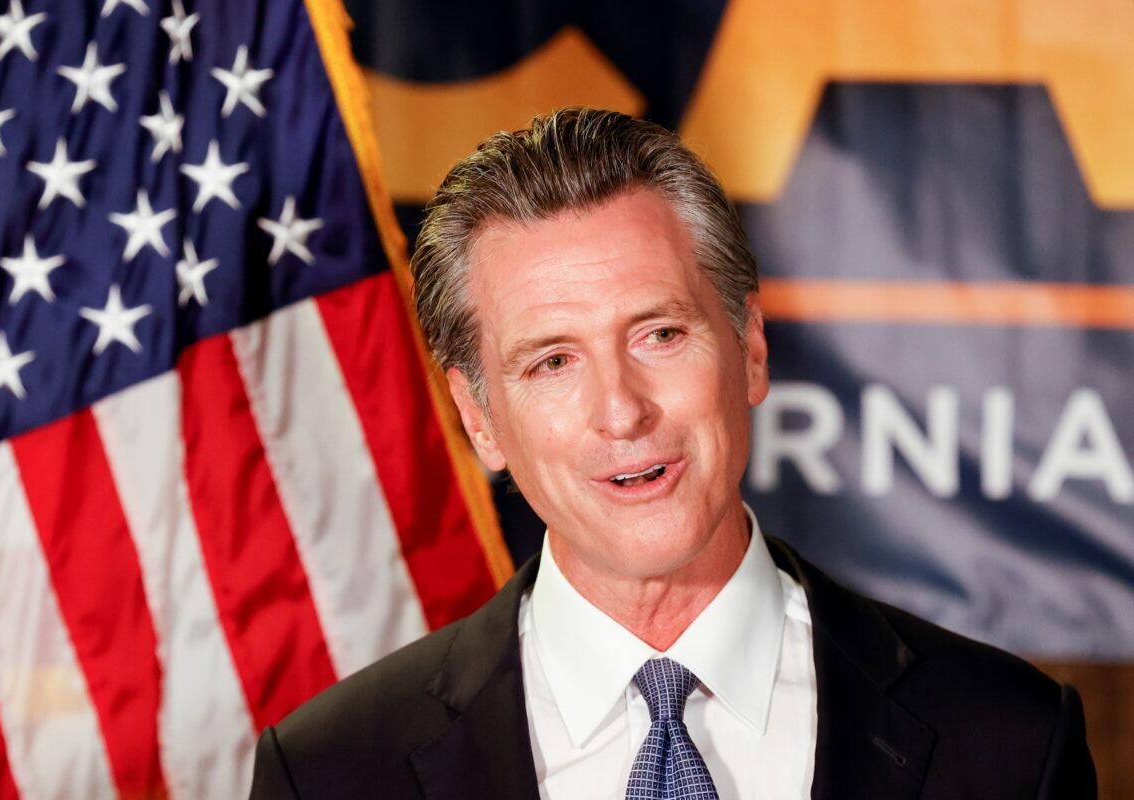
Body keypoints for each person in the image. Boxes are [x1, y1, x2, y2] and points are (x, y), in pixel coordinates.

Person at [248, 108, 1095, 799]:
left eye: (659, 334)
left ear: (750, 349)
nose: (621, 410)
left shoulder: (1009, 742)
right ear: (481, 421)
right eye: (552, 362)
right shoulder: (331, 772)